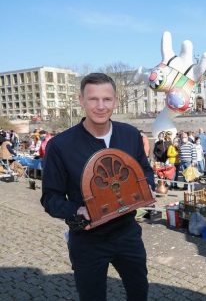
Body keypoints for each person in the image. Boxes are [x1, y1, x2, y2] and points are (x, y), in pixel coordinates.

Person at [40, 73, 155, 301]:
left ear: (116, 101)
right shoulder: (60, 145)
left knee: (139, 291)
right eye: (93, 99)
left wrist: (148, 187)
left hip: (127, 233)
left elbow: (144, 171)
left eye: (107, 99)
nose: (100, 106)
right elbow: (50, 198)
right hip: (87, 239)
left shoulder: (130, 135)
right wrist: (77, 211)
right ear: (81, 100)